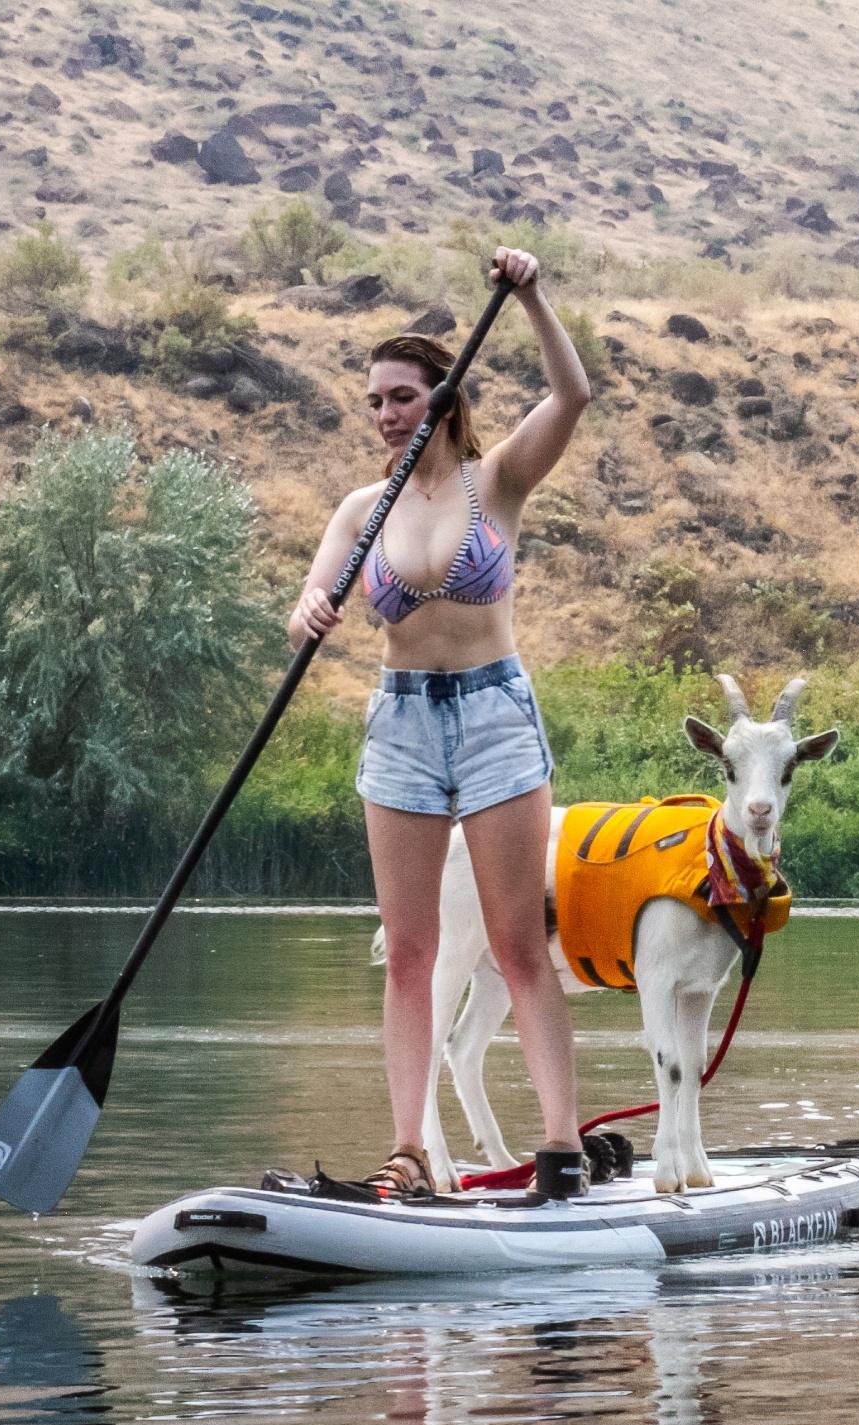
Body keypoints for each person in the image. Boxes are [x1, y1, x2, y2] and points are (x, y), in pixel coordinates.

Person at [289, 245, 593, 1200]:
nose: (384, 413)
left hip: (495, 713)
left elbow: (572, 395)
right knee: (410, 951)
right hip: (403, 727)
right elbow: (310, 592)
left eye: (401, 396)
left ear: (444, 401)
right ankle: (410, 1151)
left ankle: (560, 1145)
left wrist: (533, 296)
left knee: (513, 944)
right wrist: (308, 613)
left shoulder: (497, 480)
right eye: (373, 399)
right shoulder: (362, 508)